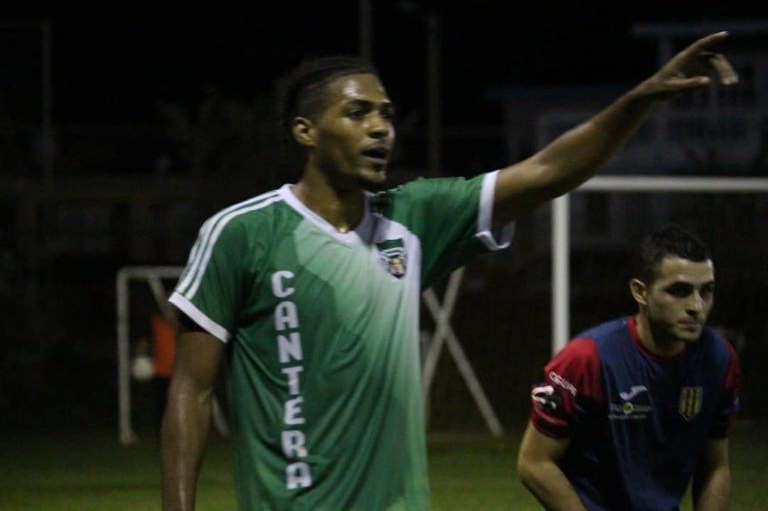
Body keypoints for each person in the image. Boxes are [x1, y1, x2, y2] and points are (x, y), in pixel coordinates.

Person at [162, 33, 738, 511]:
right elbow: (192, 387)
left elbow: (548, 170)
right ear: (304, 132)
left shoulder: (413, 219)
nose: (381, 127)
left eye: (386, 114)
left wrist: (644, 97)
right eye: (357, 113)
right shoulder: (243, 233)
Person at [517, 224, 740, 511]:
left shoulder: (719, 359)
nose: (697, 306)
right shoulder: (586, 358)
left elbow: (715, 468)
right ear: (640, 292)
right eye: (679, 291)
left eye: (706, 291)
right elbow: (534, 463)